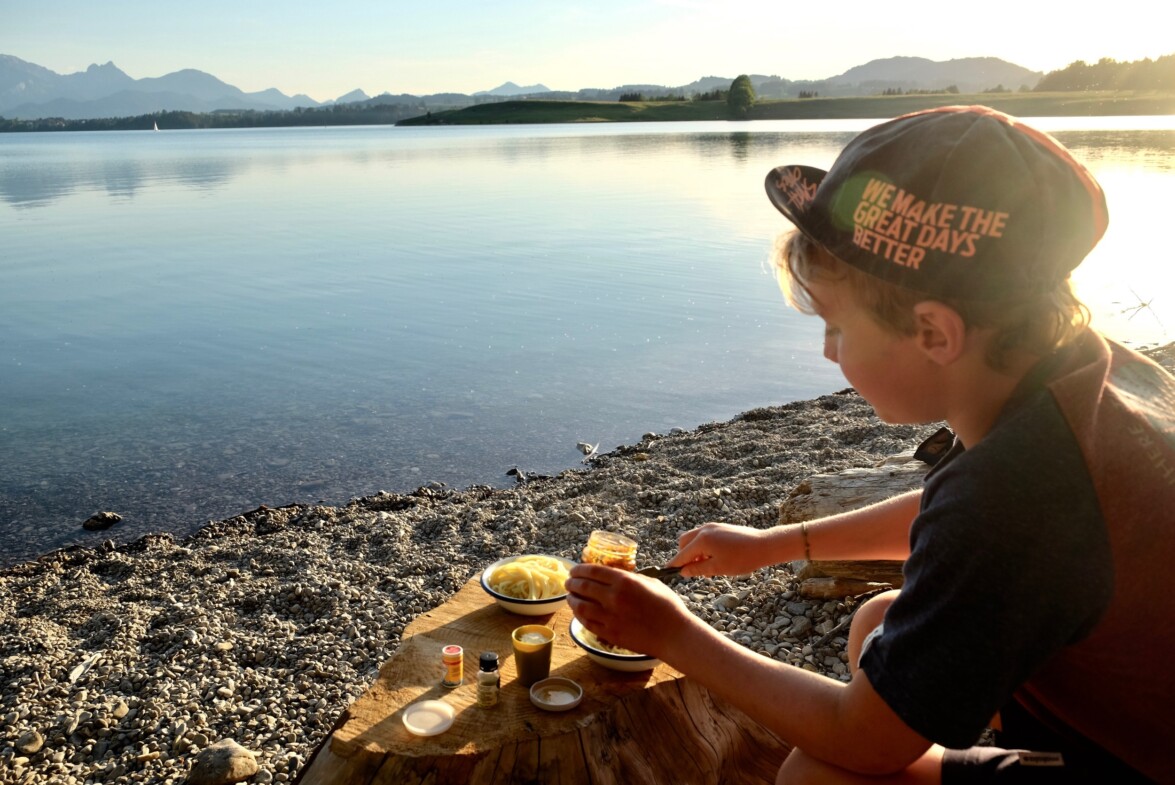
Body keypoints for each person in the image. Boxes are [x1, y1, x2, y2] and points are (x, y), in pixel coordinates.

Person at [565, 105, 1174, 784]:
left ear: (934, 333)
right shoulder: (1078, 374)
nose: (826, 352)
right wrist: (772, 544)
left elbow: (862, 739)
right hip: (1134, 718)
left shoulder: (1012, 493)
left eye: (834, 325)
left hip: (1132, 761)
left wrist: (670, 632)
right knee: (877, 620)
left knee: (814, 775)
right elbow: (946, 516)